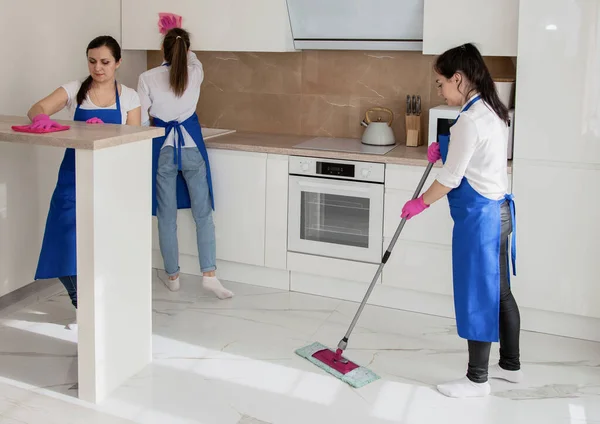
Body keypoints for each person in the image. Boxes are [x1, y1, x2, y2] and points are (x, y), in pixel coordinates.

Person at [400, 43, 522, 398]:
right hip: (499, 212)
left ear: (458, 78)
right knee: (499, 293)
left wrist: (418, 204)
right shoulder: (491, 109)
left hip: (480, 220)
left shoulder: (470, 119)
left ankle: (476, 379)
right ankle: (510, 366)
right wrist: (446, 144)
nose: (439, 90)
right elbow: (478, 155)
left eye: (441, 83)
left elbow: (452, 179)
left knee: (477, 295)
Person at [29, 36, 141, 328]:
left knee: (103, 245)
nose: (98, 68)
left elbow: (135, 141)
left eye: (105, 62)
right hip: (72, 176)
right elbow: (37, 108)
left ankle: (103, 304)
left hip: (111, 179)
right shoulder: (74, 89)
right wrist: (42, 120)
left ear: (118, 62)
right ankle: (82, 301)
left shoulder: (129, 97)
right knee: (63, 241)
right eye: (92, 61)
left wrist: (108, 132)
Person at [137, 27, 233, 299]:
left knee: (166, 218)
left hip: (163, 150)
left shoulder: (146, 78)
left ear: (162, 51)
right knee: (203, 215)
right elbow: (193, 59)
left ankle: (173, 276)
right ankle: (210, 275)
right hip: (192, 148)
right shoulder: (197, 73)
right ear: (187, 50)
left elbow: (143, 122)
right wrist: (186, 49)